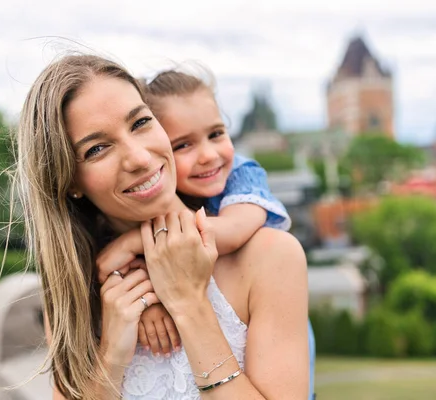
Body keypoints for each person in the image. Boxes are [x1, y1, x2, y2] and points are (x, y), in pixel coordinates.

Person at [16, 54, 309, 399]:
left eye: (140, 123)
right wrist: (111, 355)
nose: (139, 158)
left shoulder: (270, 257)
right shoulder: (75, 288)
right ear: (69, 181)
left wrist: (189, 304)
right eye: (97, 149)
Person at [141, 69, 317, 398]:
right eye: (183, 145)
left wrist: (127, 246)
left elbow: (230, 232)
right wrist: (149, 303)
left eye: (216, 133)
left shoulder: (242, 174)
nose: (209, 154)